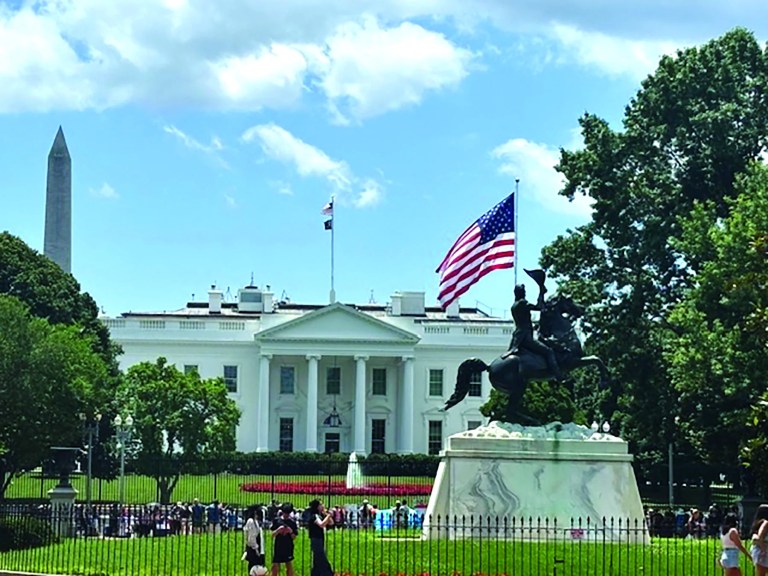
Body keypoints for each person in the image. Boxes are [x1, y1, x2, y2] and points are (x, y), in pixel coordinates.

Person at [503, 284, 565, 381]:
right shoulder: (522, 303)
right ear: (522, 293)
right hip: (526, 338)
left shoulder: (514, 306)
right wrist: (541, 291)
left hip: (518, 337)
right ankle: (558, 375)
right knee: (548, 351)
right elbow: (539, 307)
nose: (525, 292)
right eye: (524, 291)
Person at [306, 499, 334, 576]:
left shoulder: (320, 515)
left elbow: (331, 523)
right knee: (321, 558)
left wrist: (326, 514)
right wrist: (328, 515)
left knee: (317, 559)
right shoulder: (314, 516)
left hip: (320, 539)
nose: (322, 506)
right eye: (321, 504)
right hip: (316, 540)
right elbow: (321, 525)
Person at [271, 503, 298, 576]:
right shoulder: (277, 520)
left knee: (288, 564)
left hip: (288, 546)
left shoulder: (292, 522)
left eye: (288, 513)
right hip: (278, 545)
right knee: (275, 565)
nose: (286, 515)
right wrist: (278, 530)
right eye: (285, 513)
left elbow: (294, 537)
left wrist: (290, 531)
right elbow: (272, 534)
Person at [243, 505, 266, 575]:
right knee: (254, 568)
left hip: (258, 549)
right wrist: (256, 549)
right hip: (254, 549)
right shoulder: (251, 521)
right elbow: (251, 538)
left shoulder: (256, 521)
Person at [751, 504, 768, 576]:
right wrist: (764, 550)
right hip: (762, 551)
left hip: (758, 550)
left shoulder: (757, 523)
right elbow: (760, 536)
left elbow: (755, 537)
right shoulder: (766, 522)